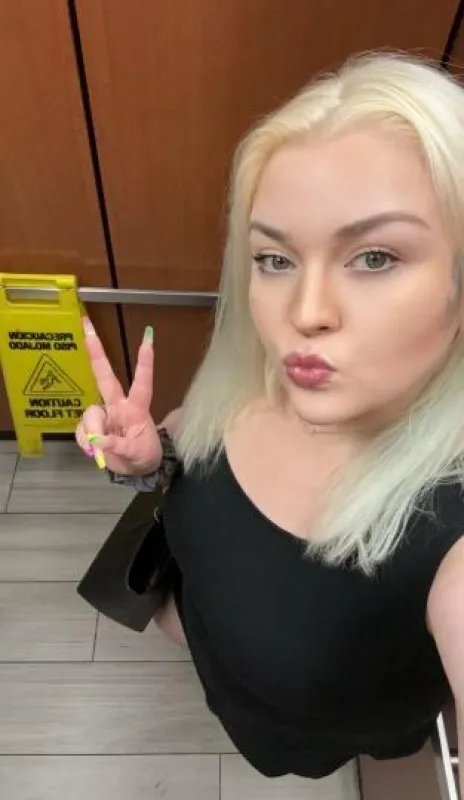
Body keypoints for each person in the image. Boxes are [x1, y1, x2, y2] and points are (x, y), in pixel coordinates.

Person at [75, 50, 464, 783]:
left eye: (375, 257)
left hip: (301, 732)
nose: (303, 314)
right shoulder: (270, 371)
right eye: (275, 260)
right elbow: (192, 453)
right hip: (205, 647)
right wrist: (148, 460)